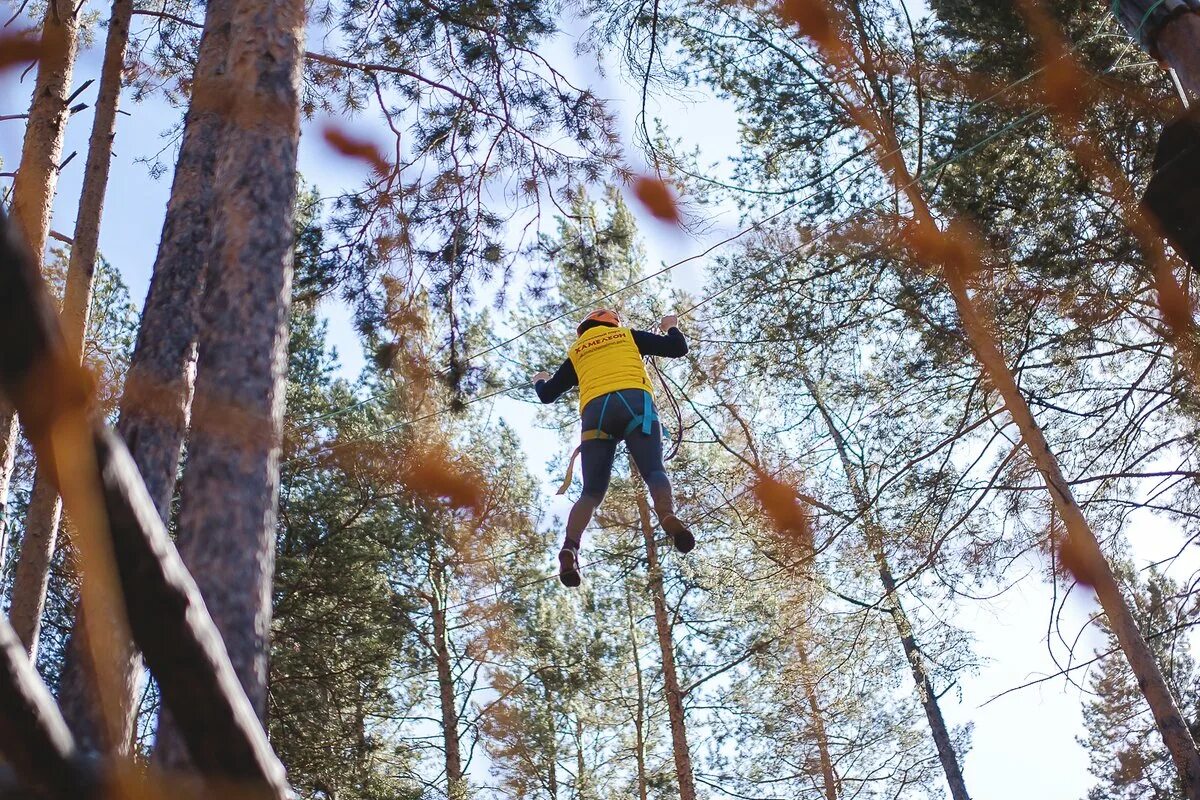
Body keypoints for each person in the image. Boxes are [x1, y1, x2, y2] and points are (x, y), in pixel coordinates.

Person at [533, 308, 694, 587]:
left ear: (585, 328)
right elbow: (677, 348)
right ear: (612, 324)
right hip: (635, 404)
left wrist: (539, 380)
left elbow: (547, 395)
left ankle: (570, 547)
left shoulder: (578, 350)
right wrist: (670, 326)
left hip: (596, 414)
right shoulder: (626, 335)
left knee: (591, 493)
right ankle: (667, 515)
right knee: (654, 470)